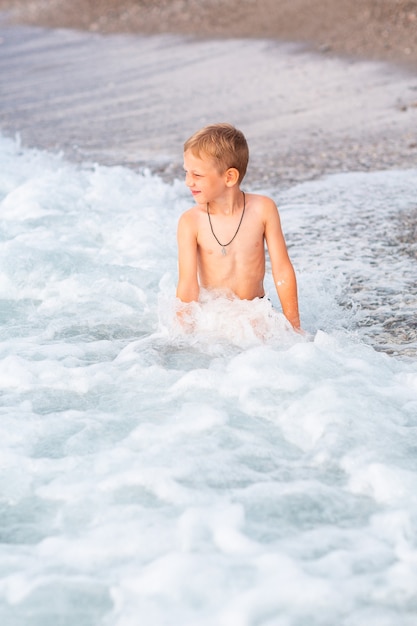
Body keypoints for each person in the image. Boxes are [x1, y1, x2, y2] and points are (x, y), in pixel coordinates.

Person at [176, 123, 301, 330]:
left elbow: (282, 269)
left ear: (229, 177)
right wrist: (183, 335)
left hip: (257, 310)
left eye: (197, 175)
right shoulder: (190, 222)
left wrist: (294, 326)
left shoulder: (263, 209)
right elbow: (188, 286)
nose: (188, 182)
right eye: (186, 173)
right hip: (214, 318)